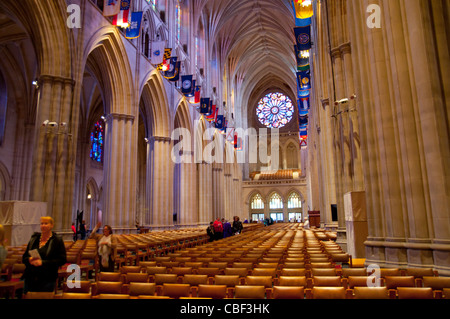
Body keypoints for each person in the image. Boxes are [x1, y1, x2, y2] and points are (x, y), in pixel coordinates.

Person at [22, 216, 67, 293]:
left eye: (46, 223)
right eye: (41, 223)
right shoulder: (34, 239)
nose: (43, 225)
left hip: (47, 277)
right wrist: (29, 259)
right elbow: (24, 257)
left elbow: (62, 260)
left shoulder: (56, 240)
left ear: (51, 225)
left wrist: (43, 262)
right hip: (30, 275)